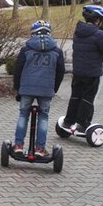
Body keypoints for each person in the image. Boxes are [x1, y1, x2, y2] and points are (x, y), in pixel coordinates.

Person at [13, 20, 65, 157]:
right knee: (44, 117)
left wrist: (18, 89)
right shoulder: (57, 51)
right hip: (46, 89)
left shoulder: (26, 50)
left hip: (27, 88)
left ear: (33, 34)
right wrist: (54, 88)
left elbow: (17, 70)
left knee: (23, 114)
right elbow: (60, 72)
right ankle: (40, 149)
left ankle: (18, 145)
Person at [61, 5, 103, 134]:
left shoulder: (78, 31)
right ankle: (82, 123)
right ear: (97, 20)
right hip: (92, 72)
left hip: (78, 71)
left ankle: (68, 121)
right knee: (87, 98)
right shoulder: (100, 35)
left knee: (75, 96)